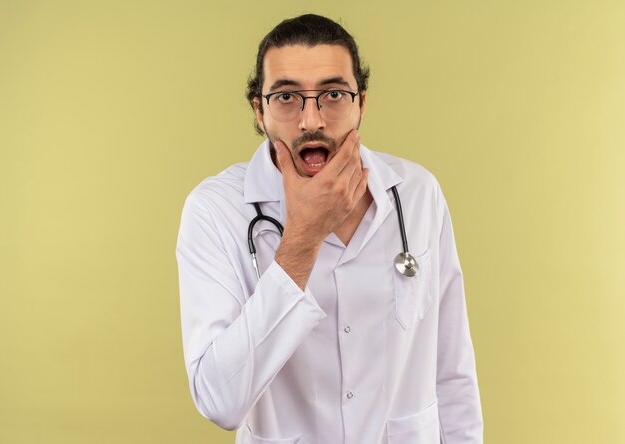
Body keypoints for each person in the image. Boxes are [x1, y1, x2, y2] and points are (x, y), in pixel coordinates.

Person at [176, 13, 483, 444]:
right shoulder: (215, 211)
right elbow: (218, 400)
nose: (311, 121)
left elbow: (453, 373)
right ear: (258, 110)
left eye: (333, 94)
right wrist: (304, 234)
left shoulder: (417, 195)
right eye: (286, 97)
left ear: (362, 102)